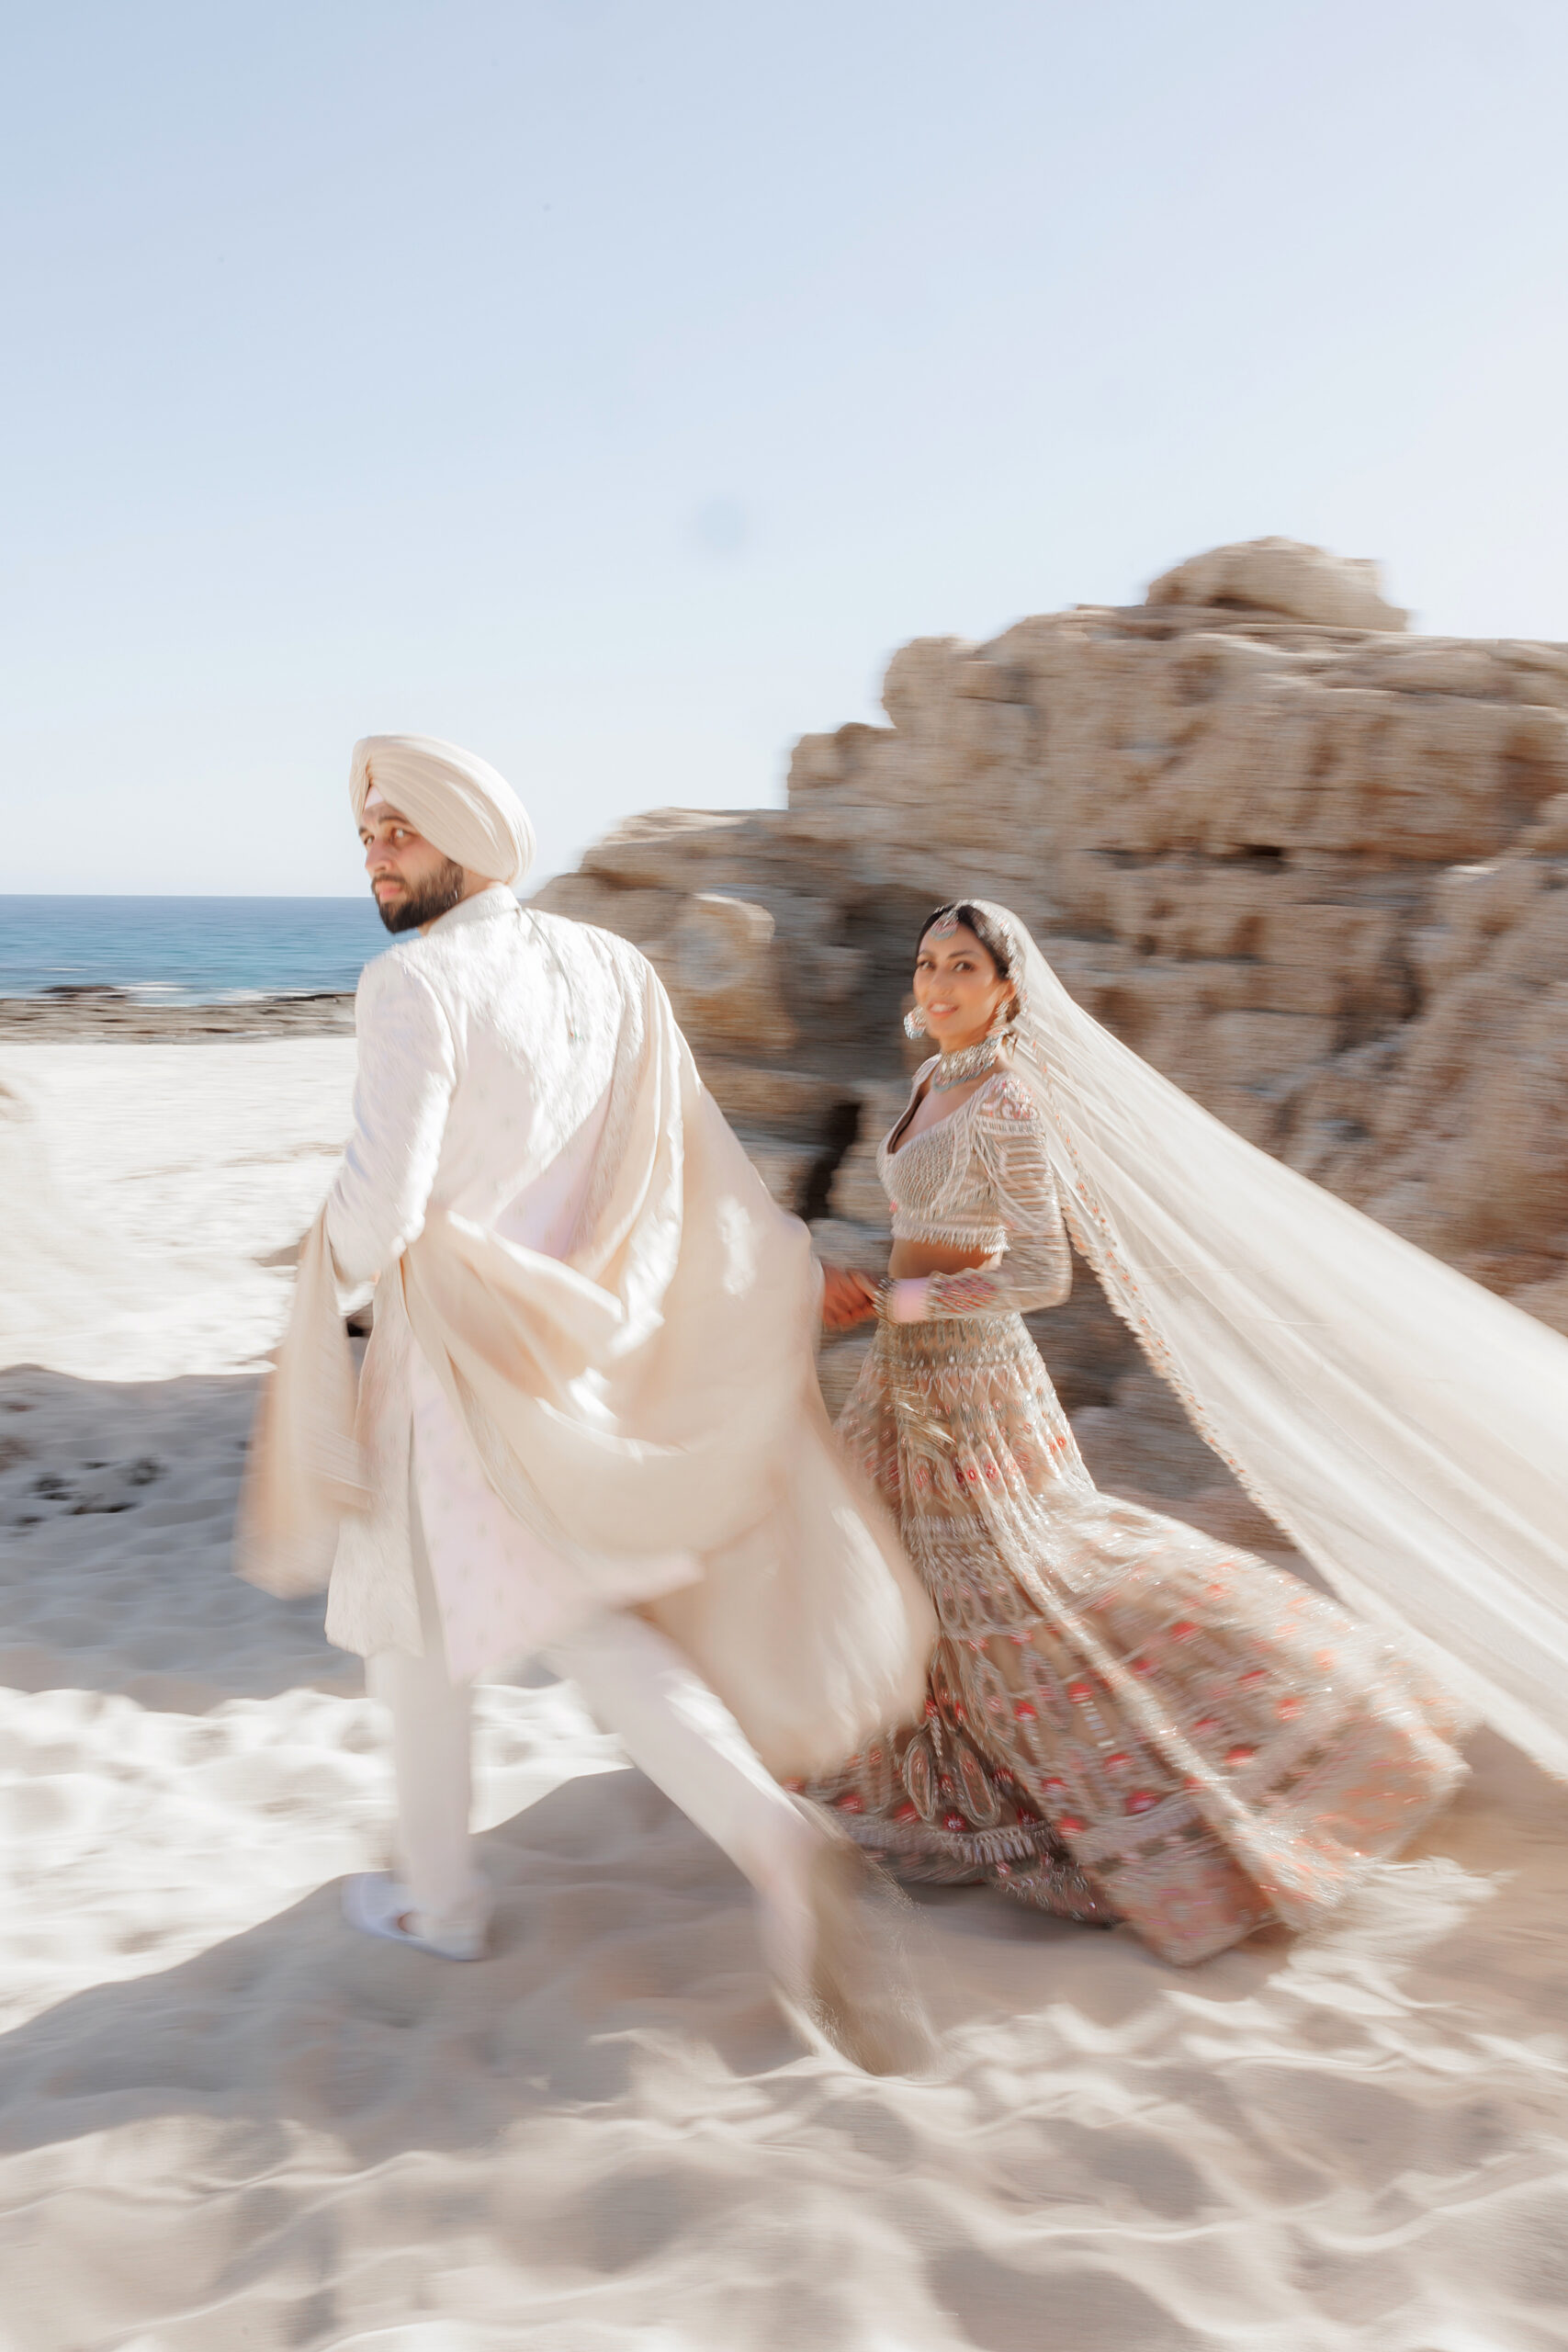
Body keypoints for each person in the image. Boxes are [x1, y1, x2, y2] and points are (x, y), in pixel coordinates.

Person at [239, 734, 935, 2071]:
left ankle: (474, 1899)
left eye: (398, 828)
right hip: (585, 1352)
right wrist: (764, 1281)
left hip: (454, 1368)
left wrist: (320, 1285)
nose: (374, 851)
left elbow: (383, 1206)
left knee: (474, 1628)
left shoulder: (410, 983)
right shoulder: (610, 969)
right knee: (522, 1619)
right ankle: (538, 1877)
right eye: (368, 830)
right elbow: (684, 1166)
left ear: (464, 838)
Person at [808, 899, 1568, 1965]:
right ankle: (946, 1798)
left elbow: (1040, 1273)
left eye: (963, 967)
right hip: (904, 1375)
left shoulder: (1009, 1101)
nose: (937, 984)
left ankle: (1310, 1715)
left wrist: (899, 1301)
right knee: (904, 1579)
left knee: (1035, 1582)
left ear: (1008, 988)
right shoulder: (935, 1082)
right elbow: (928, 1237)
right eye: (928, 964)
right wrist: (875, 1292)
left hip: (970, 1382)